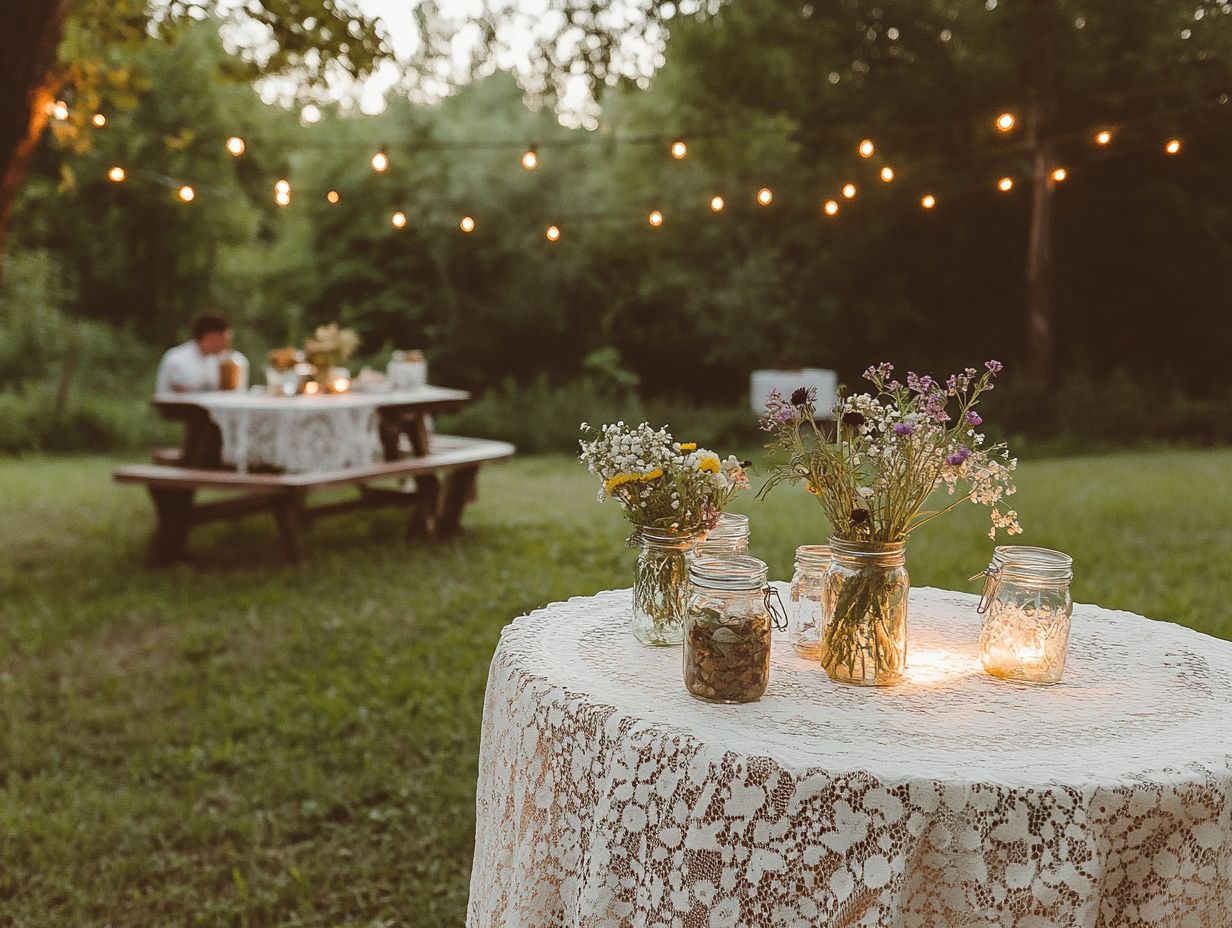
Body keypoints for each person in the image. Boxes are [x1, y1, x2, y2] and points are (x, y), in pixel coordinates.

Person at [154, 313, 248, 394]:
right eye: (224, 340)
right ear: (210, 337)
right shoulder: (177, 359)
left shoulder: (221, 360)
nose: (227, 346)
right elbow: (186, 397)